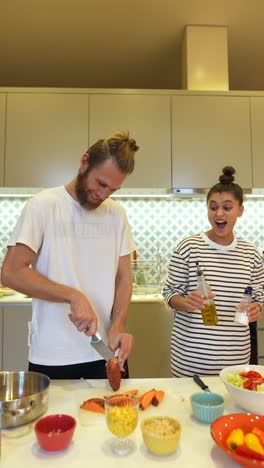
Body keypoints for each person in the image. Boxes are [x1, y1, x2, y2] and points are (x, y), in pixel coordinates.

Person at [1, 131, 139, 379]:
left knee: (115, 418)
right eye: (101, 183)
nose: (104, 195)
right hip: (53, 355)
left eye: (113, 189)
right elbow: (11, 273)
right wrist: (73, 295)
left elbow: (123, 278)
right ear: (84, 162)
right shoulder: (43, 205)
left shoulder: (116, 215)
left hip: (105, 354)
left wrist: (118, 325)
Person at [163, 166, 264, 377]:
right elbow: (170, 293)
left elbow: (260, 296)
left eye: (227, 207)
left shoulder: (252, 254)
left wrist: (257, 308)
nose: (219, 213)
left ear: (240, 210)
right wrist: (185, 302)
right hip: (189, 361)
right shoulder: (188, 247)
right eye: (213, 207)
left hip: (235, 363)